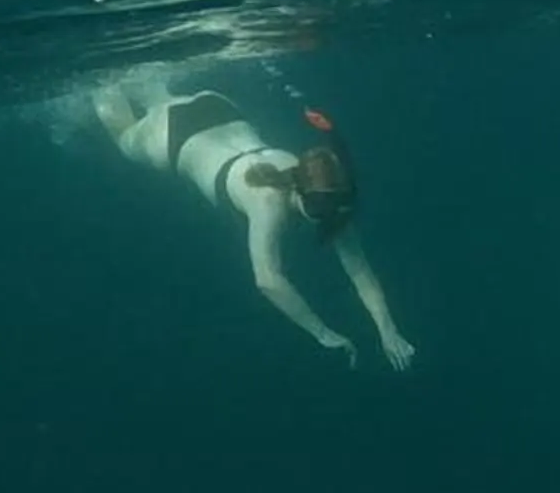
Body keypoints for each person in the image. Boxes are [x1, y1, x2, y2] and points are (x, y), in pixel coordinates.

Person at [93, 73, 416, 370]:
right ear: (299, 191)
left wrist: (388, 330)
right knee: (122, 135)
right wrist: (323, 333)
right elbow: (267, 279)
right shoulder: (268, 202)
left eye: (334, 208)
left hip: (217, 109)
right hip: (171, 138)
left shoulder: (322, 190)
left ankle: (144, 83)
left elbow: (360, 270)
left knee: (162, 101)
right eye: (320, 211)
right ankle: (99, 78)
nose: (329, 217)